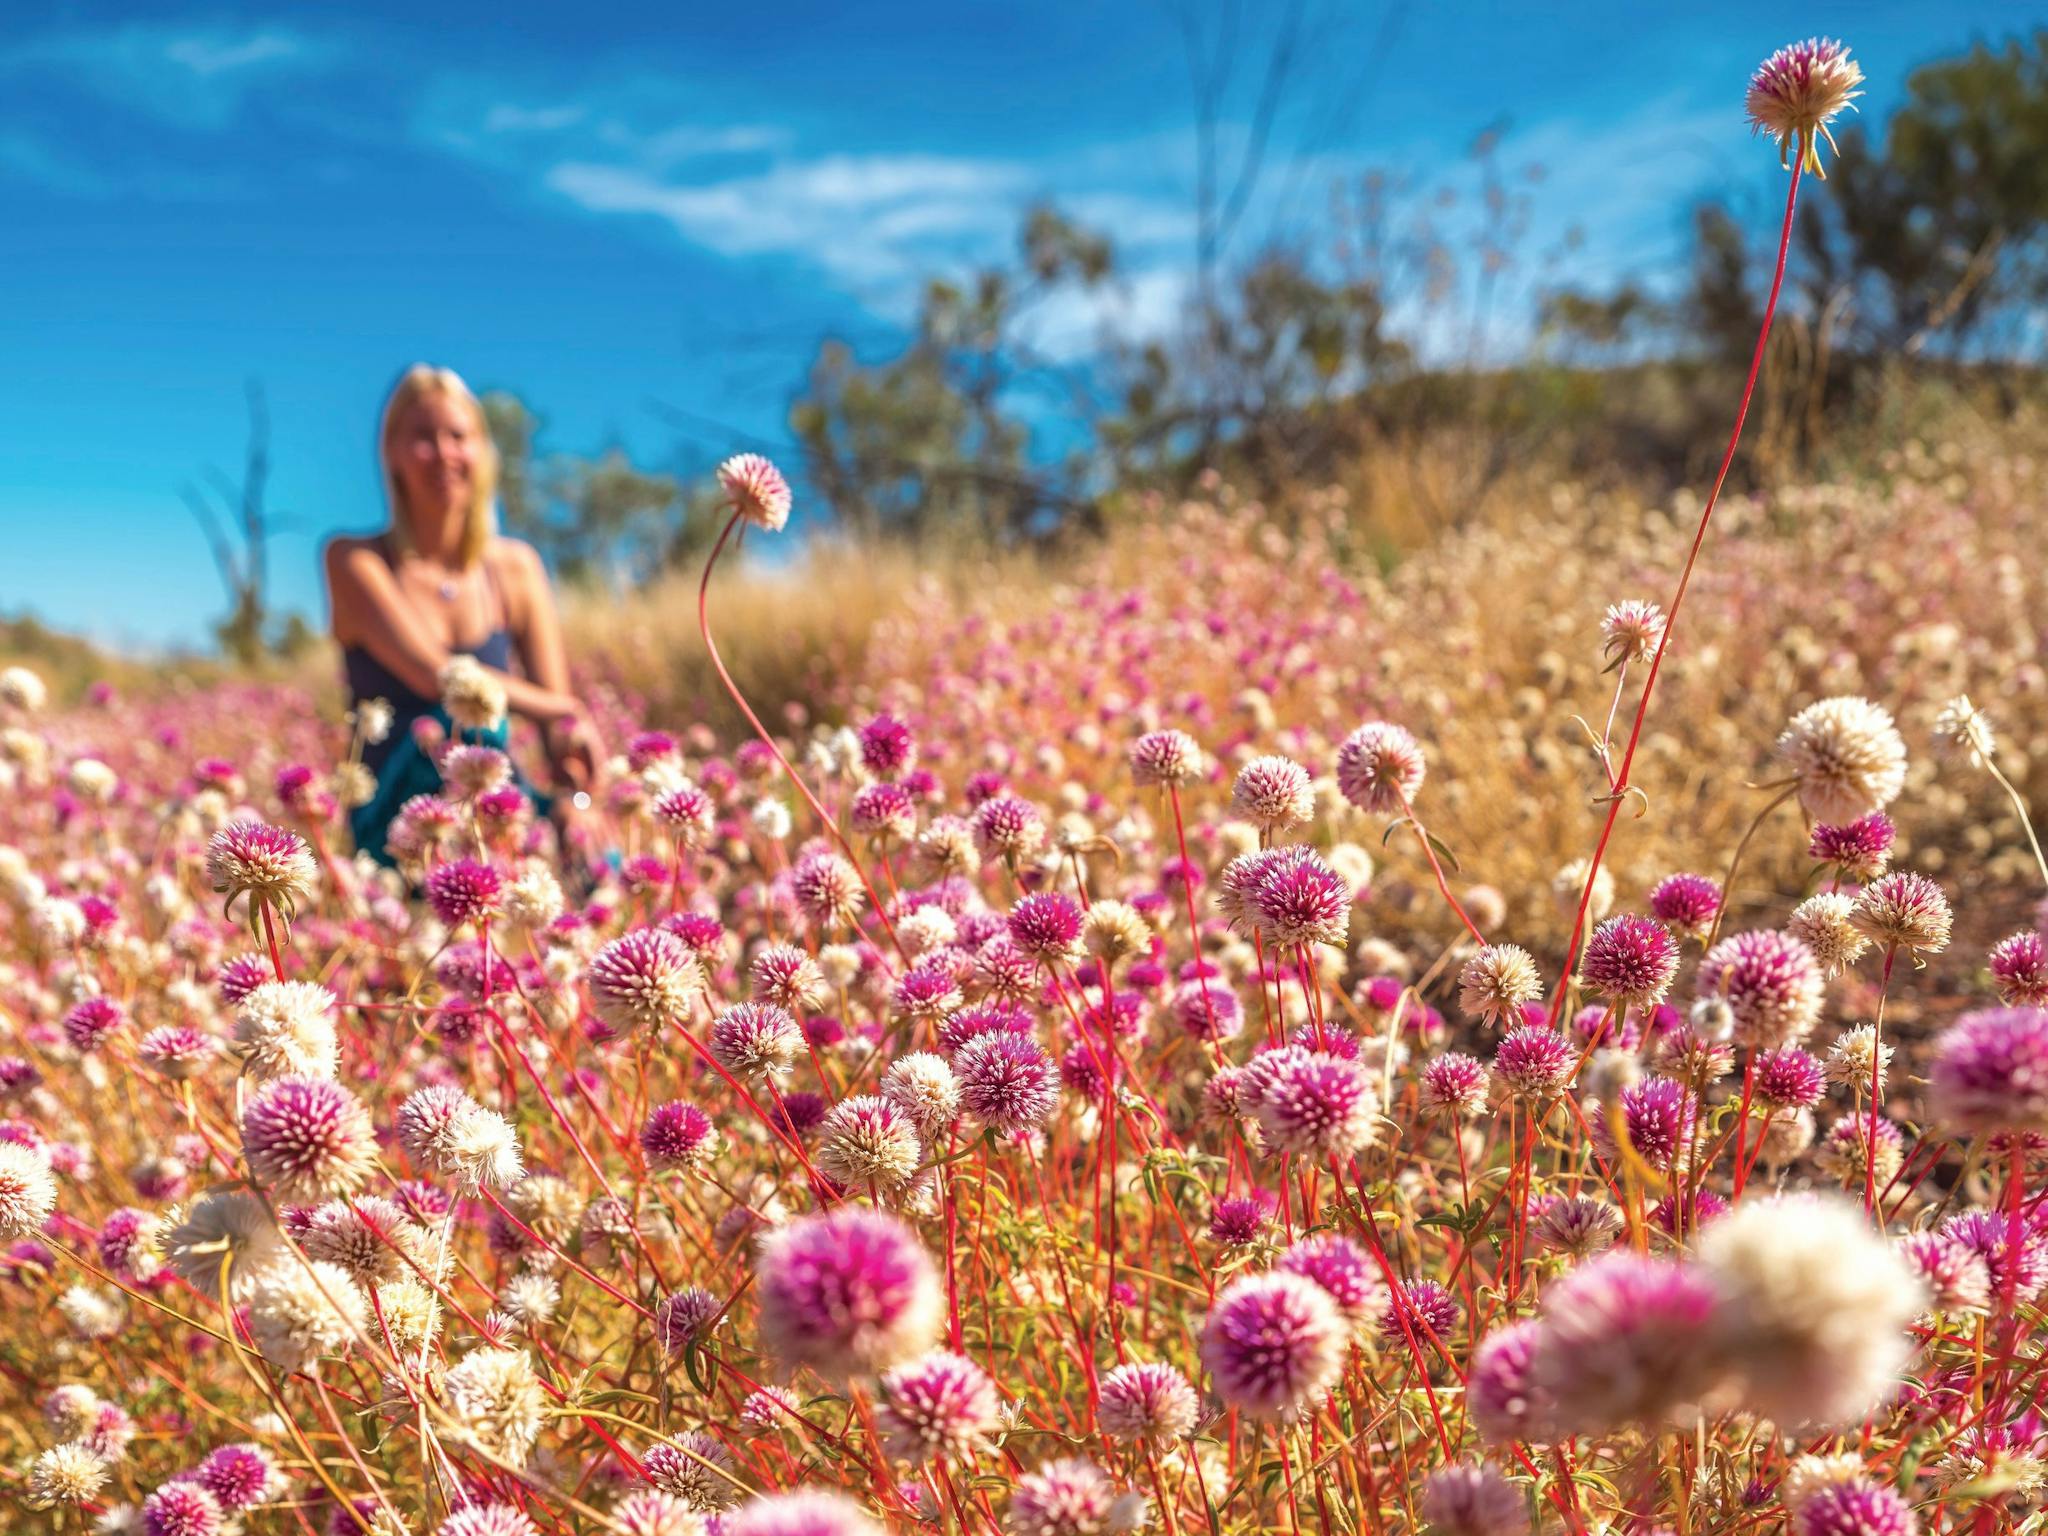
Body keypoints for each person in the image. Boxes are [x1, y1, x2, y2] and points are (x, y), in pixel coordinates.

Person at [326, 364, 601, 866]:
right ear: (392, 453)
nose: (443, 453)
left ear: (483, 451)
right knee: (465, 721)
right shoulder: (354, 560)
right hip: (396, 824)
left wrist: (574, 798)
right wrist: (564, 708)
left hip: (496, 811)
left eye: (458, 436)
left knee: (599, 863)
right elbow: (439, 677)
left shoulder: (515, 568)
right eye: (422, 437)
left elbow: (558, 727)